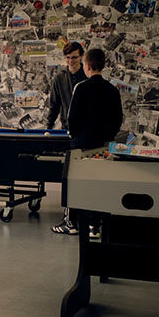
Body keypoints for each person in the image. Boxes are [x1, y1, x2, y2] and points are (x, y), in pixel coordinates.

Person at [53, 47, 124, 235]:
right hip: (104, 145)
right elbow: (118, 119)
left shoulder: (81, 87)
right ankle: (95, 226)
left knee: (74, 184)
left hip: (81, 145)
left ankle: (71, 224)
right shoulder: (112, 90)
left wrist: (75, 136)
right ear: (104, 65)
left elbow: (72, 118)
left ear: (87, 66)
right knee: (99, 184)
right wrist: (108, 137)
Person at [45, 42, 87, 130]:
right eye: (68, 58)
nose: (71, 61)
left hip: (87, 128)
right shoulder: (59, 78)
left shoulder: (88, 76)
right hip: (66, 127)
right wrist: (49, 127)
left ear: (81, 57)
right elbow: (54, 105)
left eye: (74, 57)